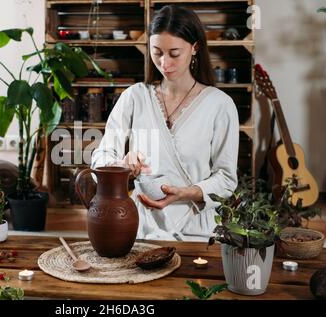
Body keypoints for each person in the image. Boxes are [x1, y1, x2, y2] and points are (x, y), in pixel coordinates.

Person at [90, 5, 239, 241]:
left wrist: (185, 193)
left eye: (174, 53)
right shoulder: (134, 97)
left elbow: (227, 179)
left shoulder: (220, 105)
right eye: (157, 52)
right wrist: (121, 166)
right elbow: (100, 159)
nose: (164, 62)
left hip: (198, 231)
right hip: (140, 228)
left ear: (195, 48)